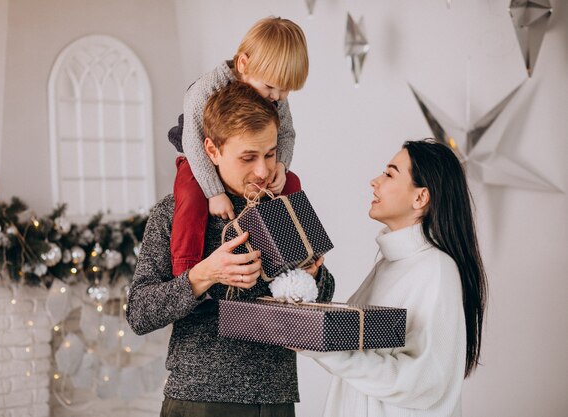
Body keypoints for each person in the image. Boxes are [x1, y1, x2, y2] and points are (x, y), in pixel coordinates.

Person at [127, 82, 335, 417]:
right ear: (211, 150)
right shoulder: (173, 212)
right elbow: (138, 313)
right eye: (248, 157)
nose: (263, 171)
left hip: (276, 398)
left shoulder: (284, 206)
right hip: (200, 399)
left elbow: (321, 300)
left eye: (269, 154)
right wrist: (203, 276)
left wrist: (314, 275)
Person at [300, 139, 488, 417]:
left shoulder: (436, 270)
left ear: (420, 198)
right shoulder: (388, 264)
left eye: (389, 174)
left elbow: (424, 381)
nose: (374, 182)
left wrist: (318, 344)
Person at [168, 16, 309, 276]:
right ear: (243, 64)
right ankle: (186, 269)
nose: (276, 97)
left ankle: (298, 262)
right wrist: (214, 193)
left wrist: (281, 165)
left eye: (285, 91)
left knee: (291, 183)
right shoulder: (205, 90)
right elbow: (194, 143)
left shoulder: (273, 93)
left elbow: (287, 133)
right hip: (196, 153)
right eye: (270, 87)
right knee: (190, 194)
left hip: (237, 158)